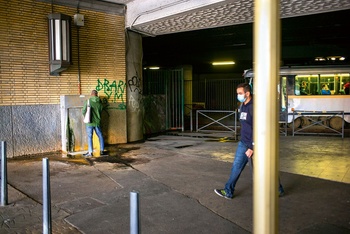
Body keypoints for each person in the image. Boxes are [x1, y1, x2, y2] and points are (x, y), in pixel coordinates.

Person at [214, 83, 284, 199]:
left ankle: (278, 189)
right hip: (243, 142)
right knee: (236, 166)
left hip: (256, 143)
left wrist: (253, 147)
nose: (238, 95)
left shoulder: (254, 107)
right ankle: (228, 191)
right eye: (237, 93)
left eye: (240, 93)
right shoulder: (242, 105)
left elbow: (258, 127)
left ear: (247, 93)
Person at [82, 90, 105, 157]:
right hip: (97, 122)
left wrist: (87, 117)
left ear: (91, 94)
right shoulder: (100, 103)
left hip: (90, 123)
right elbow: (101, 112)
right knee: (100, 136)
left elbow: (83, 111)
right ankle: (102, 151)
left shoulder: (88, 101)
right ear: (97, 94)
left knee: (90, 137)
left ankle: (90, 152)